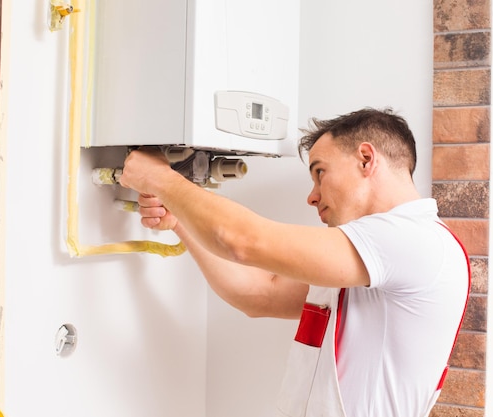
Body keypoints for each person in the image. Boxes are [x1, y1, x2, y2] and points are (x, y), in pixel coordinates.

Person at [119, 108, 470, 417]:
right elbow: (259, 295)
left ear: (366, 159)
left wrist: (161, 179)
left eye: (320, 172)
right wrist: (181, 221)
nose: (312, 195)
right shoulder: (370, 257)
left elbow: (242, 240)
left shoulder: (414, 240)